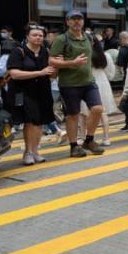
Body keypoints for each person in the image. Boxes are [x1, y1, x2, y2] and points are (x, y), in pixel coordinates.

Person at [49, 11, 105, 158]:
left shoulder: (88, 37)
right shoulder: (62, 39)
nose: (76, 22)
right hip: (69, 84)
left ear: (83, 21)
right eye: (73, 19)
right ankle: (74, 146)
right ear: (67, 22)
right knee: (72, 115)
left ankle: (89, 140)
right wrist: (71, 63)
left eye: (79, 19)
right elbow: (52, 61)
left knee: (98, 108)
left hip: (88, 81)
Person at [7, 24, 57, 165]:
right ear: (27, 36)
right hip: (25, 92)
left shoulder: (45, 52)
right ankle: (27, 152)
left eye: (40, 35)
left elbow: (51, 73)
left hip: (43, 90)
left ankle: (35, 151)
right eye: (35, 35)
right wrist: (40, 73)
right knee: (30, 122)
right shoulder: (18, 51)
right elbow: (14, 74)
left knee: (39, 122)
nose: (38, 37)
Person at [84, 37, 116, 146]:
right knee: (103, 112)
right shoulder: (105, 55)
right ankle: (106, 138)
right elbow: (111, 72)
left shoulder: (84, 55)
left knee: (84, 112)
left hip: (87, 82)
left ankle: (84, 137)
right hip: (103, 82)